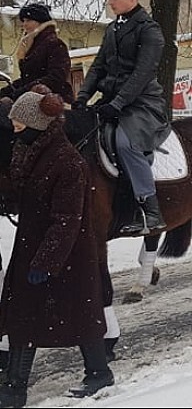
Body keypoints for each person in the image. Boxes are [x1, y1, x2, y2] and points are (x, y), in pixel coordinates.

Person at [0, 90, 113, 407]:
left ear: (37, 124)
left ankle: (16, 388)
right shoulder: (29, 152)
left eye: (19, 125)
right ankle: (96, 371)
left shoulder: (68, 163)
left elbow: (67, 219)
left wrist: (45, 262)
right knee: (65, 312)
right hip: (33, 247)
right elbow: (25, 195)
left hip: (65, 254)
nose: (15, 131)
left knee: (71, 313)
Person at [73, 0, 171, 235]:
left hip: (142, 103)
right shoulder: (112, 29)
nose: (110, 3)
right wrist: (82, 96)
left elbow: (142, 73)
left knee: (124, 143)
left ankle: (151, 211)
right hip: (113, 102)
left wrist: (118, 103)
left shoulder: (149, 30)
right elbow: (98, 67)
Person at [0, 3, 74, 103]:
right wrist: (8, 91)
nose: (24, 24)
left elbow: (56, 77)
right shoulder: (31, 46)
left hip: (52, 103)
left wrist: (22, 92)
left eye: (29, 20)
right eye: (24, 21)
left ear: (41, 22)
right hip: (34, 100)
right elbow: (28, 78)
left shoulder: (54, 44)